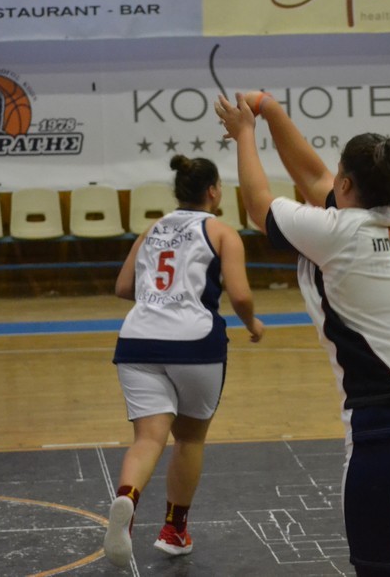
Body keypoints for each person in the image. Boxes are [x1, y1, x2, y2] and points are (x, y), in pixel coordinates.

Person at [216, 90, 390, 577]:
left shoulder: (336, 232)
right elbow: (315, 177)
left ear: (347, 183)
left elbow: (257, 205)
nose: (328, 178)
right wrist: (270, 109)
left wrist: (246, 132)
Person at [103, 154, 265, 568]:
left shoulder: (152, 229)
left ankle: (126, 499)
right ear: (213, 191)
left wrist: (158, 297)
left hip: (138, 341)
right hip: (194, 343)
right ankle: (174, 532)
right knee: (189, 439)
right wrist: (253, 323)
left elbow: (123, 286)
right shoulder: (222, 232)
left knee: (147, 439)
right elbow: (240, 294)